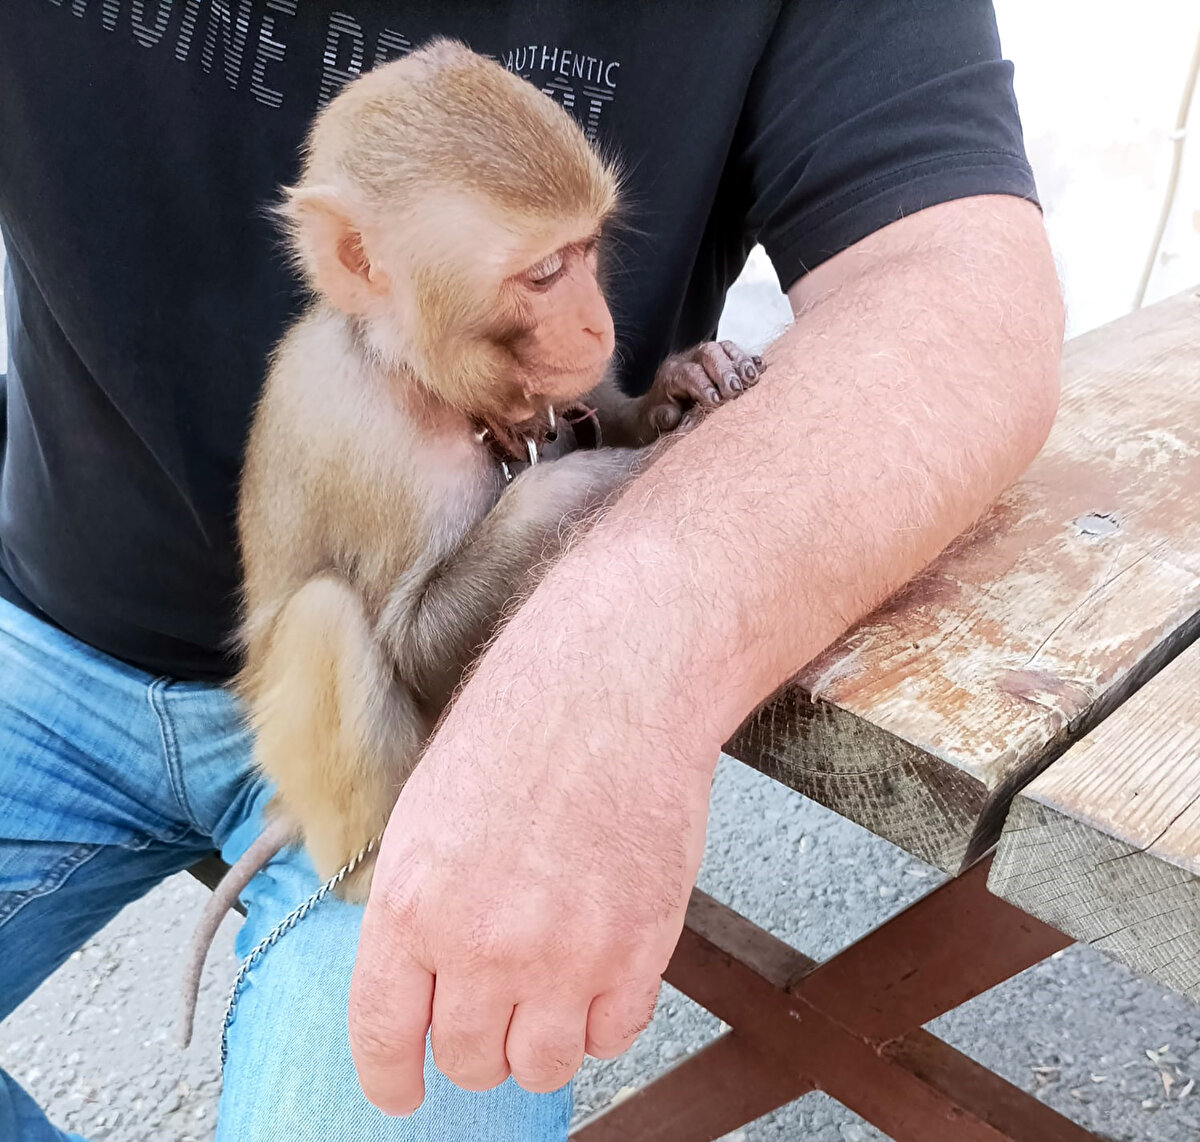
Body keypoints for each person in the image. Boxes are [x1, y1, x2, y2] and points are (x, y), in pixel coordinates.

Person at [0, 0, 1064, 1138]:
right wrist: (563, 497)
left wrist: (623, 647)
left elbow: (962, 288)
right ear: (359, 263)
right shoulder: (355, 407)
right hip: (66, 634)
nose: (597, 318)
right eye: (540, 272)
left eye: (590, 253)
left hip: (448, 720)